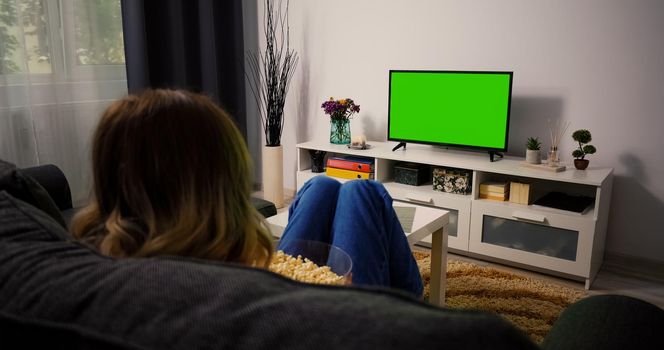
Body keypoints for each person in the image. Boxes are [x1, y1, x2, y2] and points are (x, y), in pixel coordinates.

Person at [71, 89, 422, 297]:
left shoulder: (87, 269)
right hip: (333, 315)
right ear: (222, 188)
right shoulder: (216, 292)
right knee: (364, 191)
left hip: (279, 289)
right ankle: (414, 296)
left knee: (322, 185)